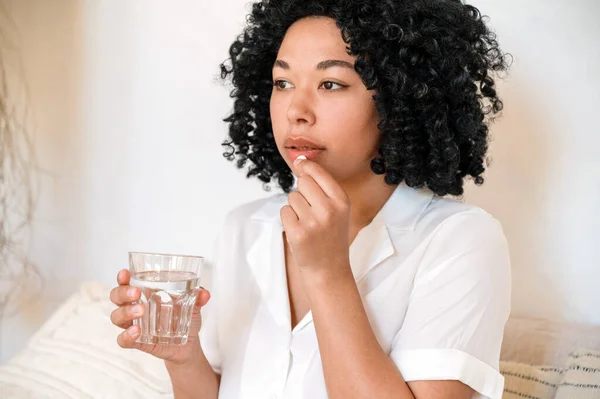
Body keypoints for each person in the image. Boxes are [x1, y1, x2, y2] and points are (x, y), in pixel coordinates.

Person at [110, 0, 511, 398]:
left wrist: (328, 272)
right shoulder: (245, 228)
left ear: (398, 99)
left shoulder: (459, 240)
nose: (296, 111)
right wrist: (184, 358)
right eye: (282, 83)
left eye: (331, 84)